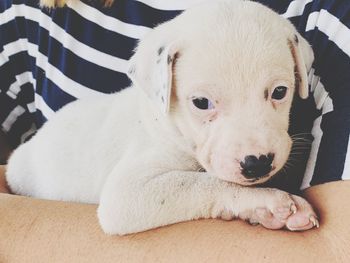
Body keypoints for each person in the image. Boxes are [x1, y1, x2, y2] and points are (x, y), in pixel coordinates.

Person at [0, 0, 349, 261]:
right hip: (31, 181)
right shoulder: (154, 131)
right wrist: (231, 198)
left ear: (298, 68)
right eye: (203, 103)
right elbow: (120, 209)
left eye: (277, 93)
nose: (255, 152)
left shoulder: (324, 19)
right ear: (160, 86)